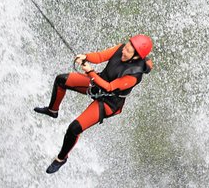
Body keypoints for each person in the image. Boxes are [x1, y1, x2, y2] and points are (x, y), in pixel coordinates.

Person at [34, 34, 154, 174]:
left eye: (128, 51)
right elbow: (100, 56)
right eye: (126, 47)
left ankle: (61, 158)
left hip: (109, 103)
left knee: (74, 128)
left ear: (136, 57)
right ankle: (52, 110)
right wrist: (85, 57)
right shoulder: (121, 48)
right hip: (97, 83)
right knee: (61, 80)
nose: (124, 50)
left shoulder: (134, 75)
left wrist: (90, 71)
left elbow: (109, 87)